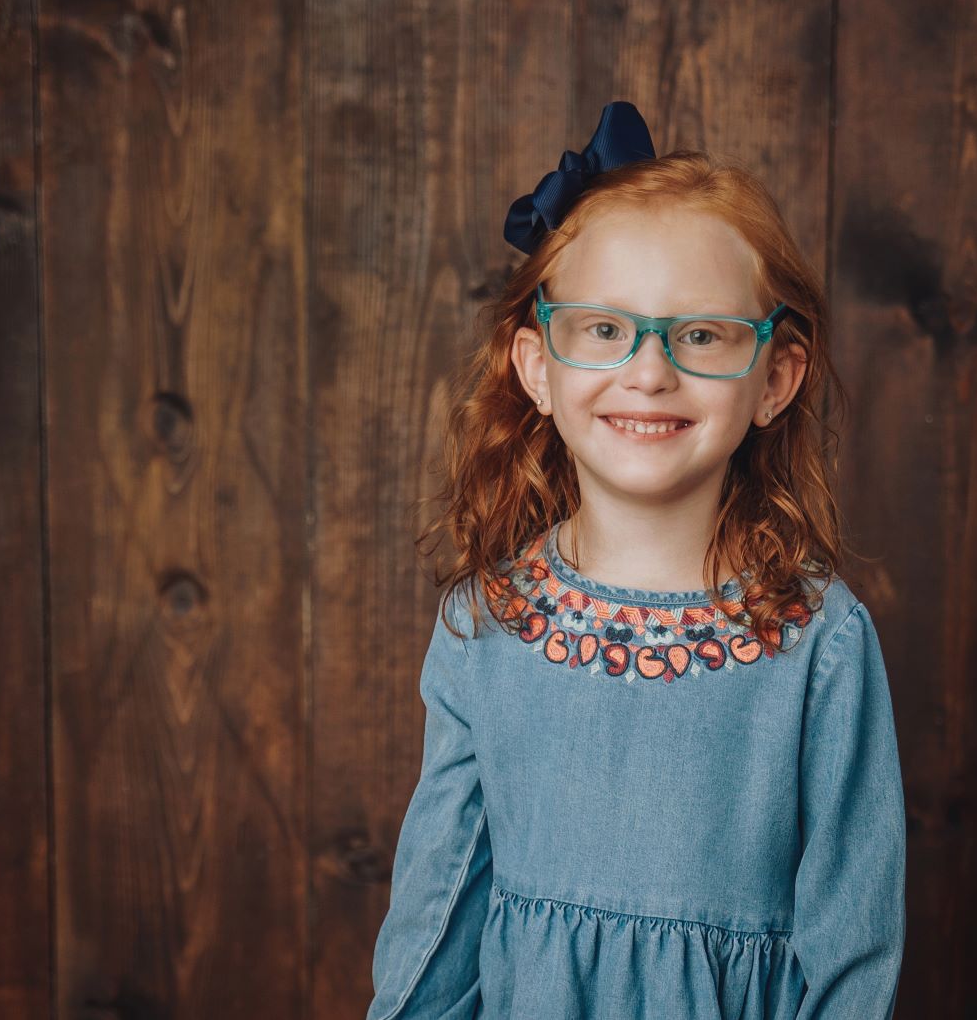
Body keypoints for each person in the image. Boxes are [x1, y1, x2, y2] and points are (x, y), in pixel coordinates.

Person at [366, 101, 906, 1019]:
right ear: (538, 368)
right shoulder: (484, 624)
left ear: (773, 378)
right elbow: (439, 907)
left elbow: (852, 942)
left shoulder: (820, 642)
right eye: (604, 329)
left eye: (699, 334)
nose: (648, 371)